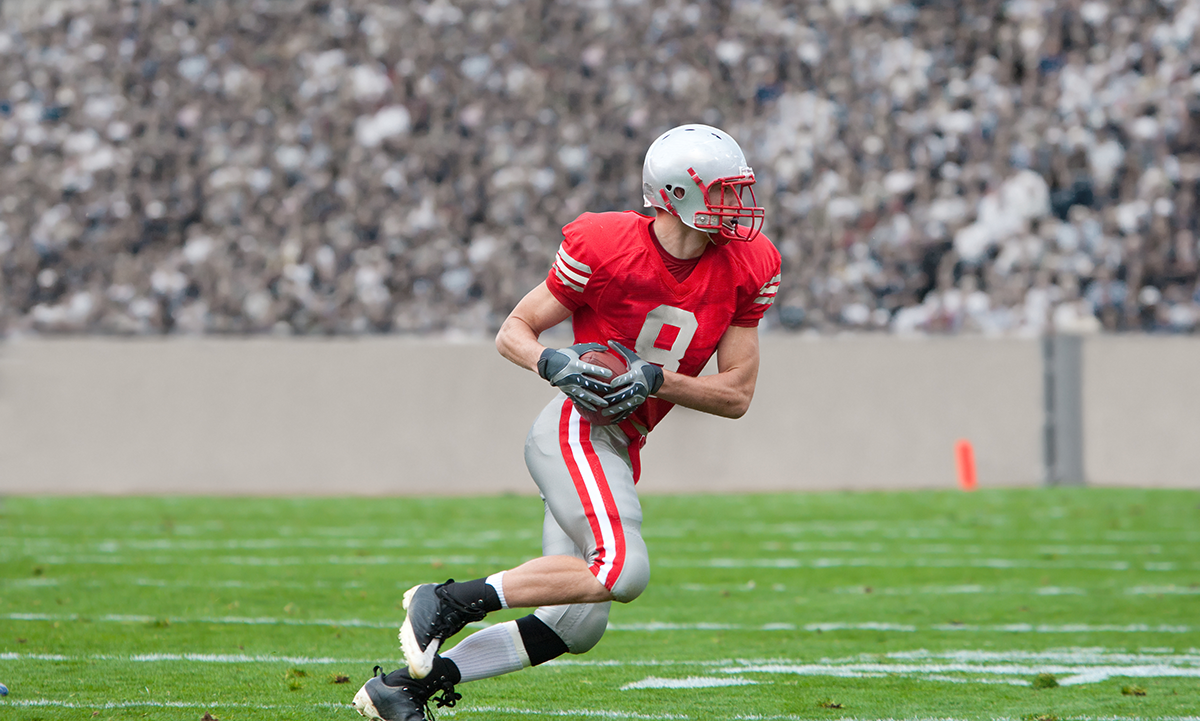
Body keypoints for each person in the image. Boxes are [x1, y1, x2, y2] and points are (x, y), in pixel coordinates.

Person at [352, 123, 782, 721]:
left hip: (622, 440)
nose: (737, 206)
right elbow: (514, 331)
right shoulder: (607, 244)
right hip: (577, 427)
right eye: (723, 191)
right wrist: (553, 362)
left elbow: (736, 394)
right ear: (678, 194)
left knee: (576, 623)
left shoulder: (748, 264)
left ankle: (401, 690)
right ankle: (447, 600)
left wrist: (658, 380)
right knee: (622, 570)